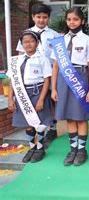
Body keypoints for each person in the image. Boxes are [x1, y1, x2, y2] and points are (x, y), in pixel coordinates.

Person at [51, 7, 89, 166]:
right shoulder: (59, 41)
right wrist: (54, 88)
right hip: (64, 80)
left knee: (81, 116)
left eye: (75, 19)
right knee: (70, 116)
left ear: (82, 21)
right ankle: (73, 149)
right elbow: (56, 66)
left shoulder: (88, 40)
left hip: (81, 77)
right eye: (69, 19)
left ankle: (82, 150)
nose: (72, 22)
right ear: (66, 20)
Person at [16, 3, 60, 147]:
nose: (41, 20)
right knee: (35, 103)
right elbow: (20, 56)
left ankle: (52, 128)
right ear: (33, 17)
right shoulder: (26, 34)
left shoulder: (54, 35)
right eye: (38, 17)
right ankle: (36, 132)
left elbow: (58, 57)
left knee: (51, 101)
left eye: (44, 17)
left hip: (50, 74)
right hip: (32, 76)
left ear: (48, 18)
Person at [8, 31, 52, 163]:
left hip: (37, 92)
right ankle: (32, 147)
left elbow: (47, 80)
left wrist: (41, 99)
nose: (28, 44)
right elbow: (12, 81)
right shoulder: (16, 60)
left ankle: (40, 147)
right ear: (21, 44)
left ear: (37, 43)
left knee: (39, 123)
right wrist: (10, 98)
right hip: (22, 94)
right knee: (27, 123)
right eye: (25, 42)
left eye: (31, 41)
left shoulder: (42, 58)